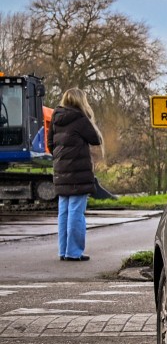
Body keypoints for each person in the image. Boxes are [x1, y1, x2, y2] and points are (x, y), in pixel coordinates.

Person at [49, 89, 101, 262]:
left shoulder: (56, 118)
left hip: (61, 172)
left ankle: (63, 251)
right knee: (76, 213)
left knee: (63, 212)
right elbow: (96, 139)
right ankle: (74, 252)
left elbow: (50, 145)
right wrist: (89, 117)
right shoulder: (80, 118)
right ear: (81, 101)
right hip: (78, 173)